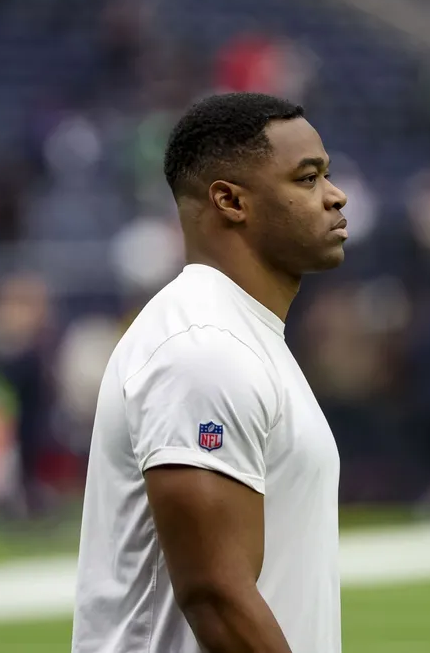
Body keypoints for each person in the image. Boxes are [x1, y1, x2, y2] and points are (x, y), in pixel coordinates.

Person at [72, 92, 349, 653]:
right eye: (307, 178)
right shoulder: (203, 349)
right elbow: (216, 596)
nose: (335, 196)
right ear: (230, 201)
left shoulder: (238, 335)